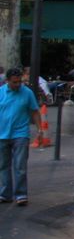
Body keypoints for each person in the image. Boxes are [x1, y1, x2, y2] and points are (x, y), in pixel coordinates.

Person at [0, 67, 43, 205]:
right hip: (2, 134)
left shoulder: (27, 93)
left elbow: (35, 111)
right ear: (7, 81)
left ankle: (21, 194)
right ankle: (6, 194)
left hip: (21, 134)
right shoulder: (1, 93)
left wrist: (40, 130)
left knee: (20, 165)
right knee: (3, 166)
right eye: (15, 82)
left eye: (19, 82)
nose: (18, 85)